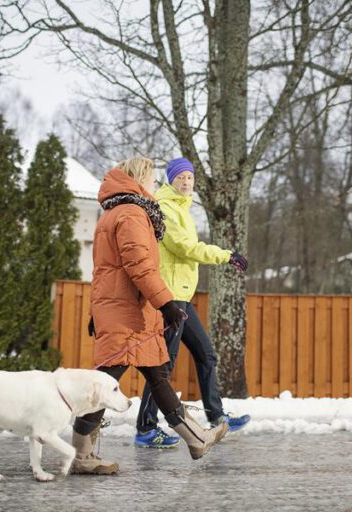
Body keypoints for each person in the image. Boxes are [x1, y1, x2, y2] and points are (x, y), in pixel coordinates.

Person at [70, 156, 229, 475]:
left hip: (125, 310)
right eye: (153, 180)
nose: (156, 185)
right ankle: (80, 455)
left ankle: (196, 439)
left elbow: (103, 271)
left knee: (157, 375)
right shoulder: (131, 214)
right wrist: (166, 303)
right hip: (128, 313)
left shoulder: (114, 213)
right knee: (105, 383)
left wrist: (96, 311)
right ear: (140, 179)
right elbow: (139, 266)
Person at [133, 157, 251, 449]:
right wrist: (225, 255)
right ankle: (145, 428)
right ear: (170, 180)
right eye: (180, 177)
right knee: (163, 366)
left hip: (183, 296)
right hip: (170, 298)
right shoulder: (165, 208)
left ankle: (215, 415)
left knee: (206, 355)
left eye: (190, 177)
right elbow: (185, 248)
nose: (186, 182)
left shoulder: (183, 208)